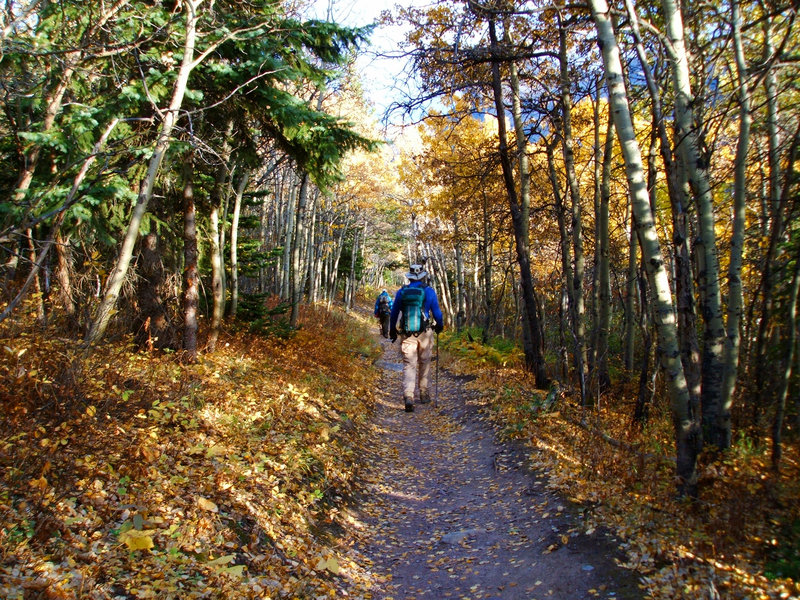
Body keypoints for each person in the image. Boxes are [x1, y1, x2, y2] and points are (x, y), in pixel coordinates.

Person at [389, 264, 444, 412]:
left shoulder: (402, 292)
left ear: (410, 277)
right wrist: (440, 324)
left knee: (409, 364)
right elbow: (437, 312)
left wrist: (392, 330)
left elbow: (394, 312)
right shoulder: (429, 291)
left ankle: (408, 395)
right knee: (425, 362)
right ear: (422, 276)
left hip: (407, 333)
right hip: (425, 333)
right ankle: (424, 393)